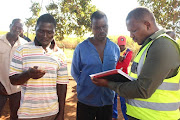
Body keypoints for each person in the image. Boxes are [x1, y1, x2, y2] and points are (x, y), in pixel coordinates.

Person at [91, 7, 180, 120]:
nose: (131, 36)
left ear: (147, 25)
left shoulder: (162, 46)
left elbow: (142, 90)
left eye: (133, 31)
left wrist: (108, 83)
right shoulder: (149, 45)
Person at [9, 14, 69, 120]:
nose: (45, 36)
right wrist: (28, 74)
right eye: (41, 31)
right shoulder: (22, 50)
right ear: (35, 29)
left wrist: (61, 113)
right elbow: (13, 80)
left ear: (55, 32)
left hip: (52, 113)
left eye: (49, 32)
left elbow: (62, 86)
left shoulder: (60, 54)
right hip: (27, 114)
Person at [71, 10, 120, 120]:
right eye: (97, 27)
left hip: (107, 100)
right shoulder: (81, 48)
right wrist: (86, 85)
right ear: (91, 27)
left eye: (104, 26)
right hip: (86, 101)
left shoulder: (114, 48)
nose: (102, 30)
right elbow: (75, 71)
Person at [0, 18, 27, 120]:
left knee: (15, 115)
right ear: (10, 26)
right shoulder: (0, 41)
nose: (17, 29)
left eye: (20, 27)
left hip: (17, 89)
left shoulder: (25, 45)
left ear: (22, 30)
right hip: (1, 86)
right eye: (15, 26)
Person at [112, 36, 132, 120]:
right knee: (113, 99)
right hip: (115, 78)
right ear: (117, 44)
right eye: (120, 45)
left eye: (123, 45)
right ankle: (114, 116)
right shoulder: (114, 51)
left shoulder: (129, 52)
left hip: (124, 79)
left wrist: (117, 61)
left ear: (125, 45)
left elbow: (125, 65)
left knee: (123, 101)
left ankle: (126, 118)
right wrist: (118, 60)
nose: (121, 47)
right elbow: (113, 64)